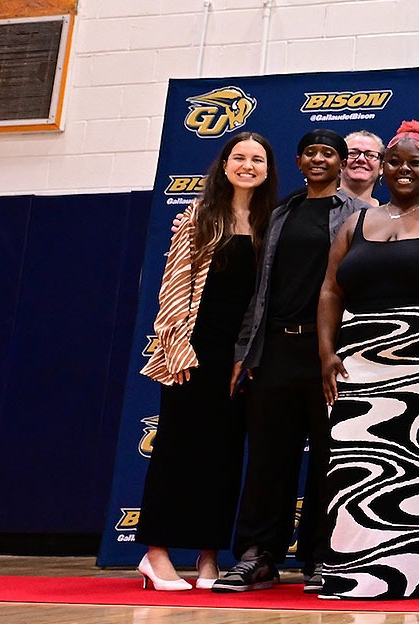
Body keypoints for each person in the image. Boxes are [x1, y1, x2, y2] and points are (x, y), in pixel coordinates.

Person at [315, 121, 419, 598]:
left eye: (415, 162)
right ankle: (350, 573)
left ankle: (414, 575)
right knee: (354, 465)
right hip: (358, 360)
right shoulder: (355, 222)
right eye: (395, 161)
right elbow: (329, 289)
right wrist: (326, 352)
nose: (404, 169)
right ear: (382, 168)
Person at [214, 130, 371, 593]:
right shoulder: (280, 212)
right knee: (268, 460)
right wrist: (245, 351)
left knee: (330, 458)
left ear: (343, 163)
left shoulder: (362, 215)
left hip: (331, 354)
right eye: (311, 153)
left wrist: (345, 351)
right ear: (300, 161)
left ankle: (322, 559)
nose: (319, 159)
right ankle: (258, 556)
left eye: (330, 154)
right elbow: (258, 293)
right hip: (276, 350)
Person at [137, 133, 276, 591]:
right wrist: (176, 347)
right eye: (239, 157)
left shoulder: (269, 222)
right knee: (176, 451)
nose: (248, 165)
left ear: (269, 169)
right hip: (193, 351)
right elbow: (173, 287)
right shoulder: (199, 217)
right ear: (224, 164)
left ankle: (208, 558)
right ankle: (156, 555)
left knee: (224, 456)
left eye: (257, 159)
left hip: (240, 356)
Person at [341, 131, 383, 204]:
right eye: (353, 153)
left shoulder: (388, 214)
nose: (361, 159)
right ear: (340, 162)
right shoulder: (319, 209)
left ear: (381, 167)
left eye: (370, 155)